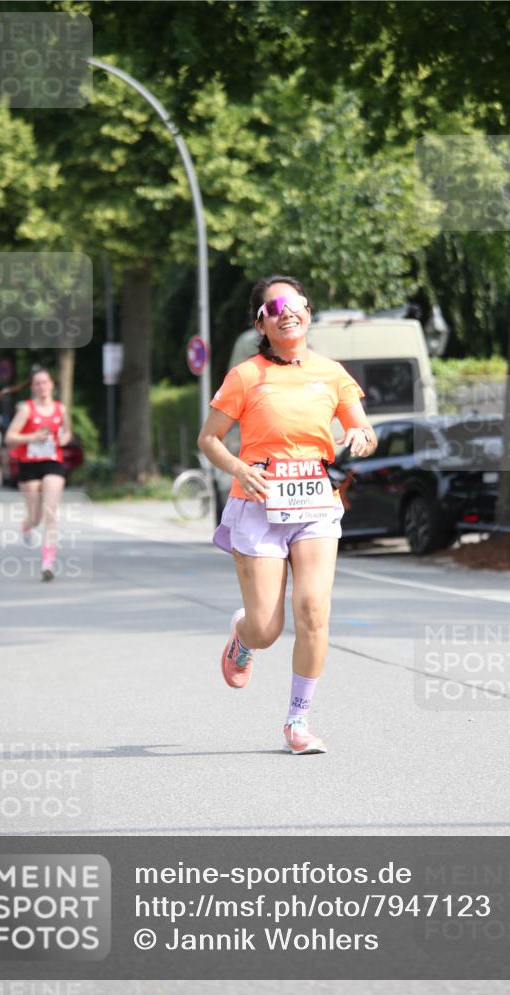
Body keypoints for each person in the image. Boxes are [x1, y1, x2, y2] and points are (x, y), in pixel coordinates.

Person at [198, 275, 377, 754]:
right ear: (262, 320)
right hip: (258, 505)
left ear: (308, 311)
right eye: (275, 306)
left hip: (316, 502)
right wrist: (238, 467)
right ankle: (242, 637)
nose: (288, 312)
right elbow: (209, 439)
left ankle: (297, 722)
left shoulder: (332, 372)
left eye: (295, 303)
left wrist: (361, 437)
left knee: (314, 610)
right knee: (267, 628)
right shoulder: (246, 375)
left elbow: (362, 427)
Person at [4, 369, 71, 581]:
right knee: (36, 517)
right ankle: (27, 525)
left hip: (53, 462)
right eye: (38, 384)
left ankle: (47, 563)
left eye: (45, 382)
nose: (42, 387)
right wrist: (32, 437)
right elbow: (10, 437)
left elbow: (67, 432)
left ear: (52, 385)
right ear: (33, 387)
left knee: (51, 513)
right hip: (29, 465)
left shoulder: (61, 409)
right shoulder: (26, 409)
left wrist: (64, 439)